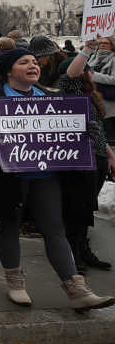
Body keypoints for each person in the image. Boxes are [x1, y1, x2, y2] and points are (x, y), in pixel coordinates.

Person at [0, 48, 114, 312]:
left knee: (55, 229)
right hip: (9, 177)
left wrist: (86, 130)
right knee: (9, 226)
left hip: (46, 176)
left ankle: (76, 289)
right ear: (9, 70)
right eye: (24, 63)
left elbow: (67, 130)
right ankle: (15, 282)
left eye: (35, 62)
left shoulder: (50, 97)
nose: (33, 66)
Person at [57, 48, 115, 273]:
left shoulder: (92, 96)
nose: (92, 73)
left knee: (87, 206)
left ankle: (83, 249)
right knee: (77, 208)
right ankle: (74, 252)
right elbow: (70, 74)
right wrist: (87, 50)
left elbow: (99, 131)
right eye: (87, 69)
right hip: (81, 159)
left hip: (98, 156)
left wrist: (110, 155)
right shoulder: (71, 92)